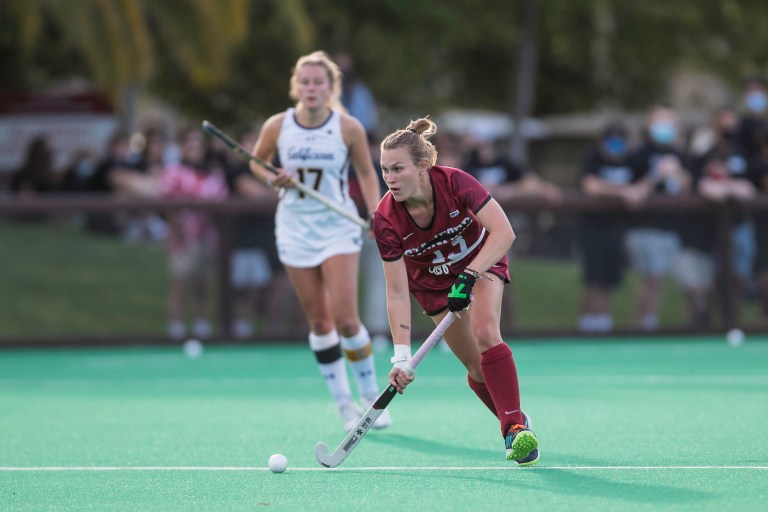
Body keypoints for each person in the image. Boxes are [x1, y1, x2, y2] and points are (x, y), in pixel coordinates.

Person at [373, 117, 539, 466]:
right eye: (385, 170)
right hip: (431, 284)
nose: (389, 178)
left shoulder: (455, 181)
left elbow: (504, 232)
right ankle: (517, 421)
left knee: (485, 333)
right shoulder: (385, 218)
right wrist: (401, 356)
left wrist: (469, 275)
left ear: (423, 166)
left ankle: (511, 430)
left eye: (397, 169)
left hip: (481, 259)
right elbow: (397, 292)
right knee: (478, 370)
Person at [248, 50, 390, 431]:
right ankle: (343, 402)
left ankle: (371, 396)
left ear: (331, 87)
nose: (311, 88)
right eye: (305, 82)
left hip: (337, 229)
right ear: (297, 86)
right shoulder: (278, 126)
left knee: (346, 319)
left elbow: (365, 171)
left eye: (319, 82)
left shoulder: (348, 127)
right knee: (319, 320)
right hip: (294, 229)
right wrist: (270, 177)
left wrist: (376, 212)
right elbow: (256, 161)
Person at [626, 105, 691, 331]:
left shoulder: (679, 154)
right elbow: (632, 189)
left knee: (660, 279)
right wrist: (656, 175)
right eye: (659, 121)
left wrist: (677, 173)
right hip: (645, 226)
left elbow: (687, 186)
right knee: (650, 277)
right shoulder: (639, 154)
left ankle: (650, 322)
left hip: (671, 227)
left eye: (669, 122)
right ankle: (642, 324)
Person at [160, 127, 229, 340]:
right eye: (189, 143)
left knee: (202, 284)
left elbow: (221, 201)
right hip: (181, 237)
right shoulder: (174, 172)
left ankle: (202, 325)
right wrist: (178, 232)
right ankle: (176, 327)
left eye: (198, 144)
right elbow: (166, 203)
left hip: (207, 237)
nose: (193, 148)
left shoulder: (214, 174)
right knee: (180, 282)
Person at [579, 121, 646, 333]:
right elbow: (590, 185)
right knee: (593, 277)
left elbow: (643, 185)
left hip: (618, 229)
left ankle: (604, 321)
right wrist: (623, 191)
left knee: (609, 278)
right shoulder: (593, 158)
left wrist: (637, 190)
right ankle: (590, 322)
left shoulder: (632, 161)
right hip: (593, 227)